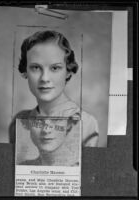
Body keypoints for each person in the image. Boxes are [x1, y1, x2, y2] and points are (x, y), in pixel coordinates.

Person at [9, 30, 99, 165]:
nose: (45, 78)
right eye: (35, 67)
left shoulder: (86, 123)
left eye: (55, 68)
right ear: (25, 71)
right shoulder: (20, 121)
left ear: (68, 71)